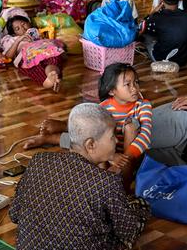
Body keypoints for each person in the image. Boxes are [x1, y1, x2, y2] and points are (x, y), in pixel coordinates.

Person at [10, 103, 151, 250]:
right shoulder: (106, 182)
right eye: (112, 137)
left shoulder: (38, 161)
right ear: (90, 144)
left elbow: (14, 214)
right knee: (140, 206)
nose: (116, 141)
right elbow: (127, 232)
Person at [21, 64, 153, 172]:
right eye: (127, 84)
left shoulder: (143, 105)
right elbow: (89, 134)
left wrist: (124, 159)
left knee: (131, 126)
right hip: (106, 152)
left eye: (136, 82)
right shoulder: (104, 107)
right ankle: (50, 137)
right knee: (83, 141)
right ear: (112, 91)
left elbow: (145, 136)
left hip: (130, 154)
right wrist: (111, 157)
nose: (135, 88)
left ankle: (120, 172)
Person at [0, 12, 66, 91]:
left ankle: (52, 73)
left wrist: (41, 39)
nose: (23, 28)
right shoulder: (12, 39)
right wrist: (18, 40)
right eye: (17, 29)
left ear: (28, 23)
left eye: (23, 24)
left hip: (44, 51)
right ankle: (50, 79)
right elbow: (7, 57)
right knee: (33, 67)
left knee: (53, 58)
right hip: (27, 57)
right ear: (14, 33)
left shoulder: (36, 33)